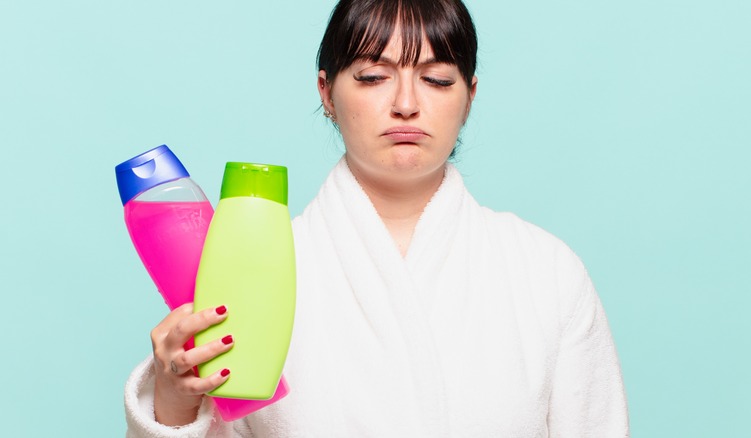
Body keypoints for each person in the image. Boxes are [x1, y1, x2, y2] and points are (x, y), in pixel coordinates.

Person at [125, 0, 630, 436]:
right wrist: (173, 403)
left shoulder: (547, 272)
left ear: (470, 96)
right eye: (372, 77)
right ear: (326, 92)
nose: (406, 104)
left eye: (436, 79)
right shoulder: (246, 272)